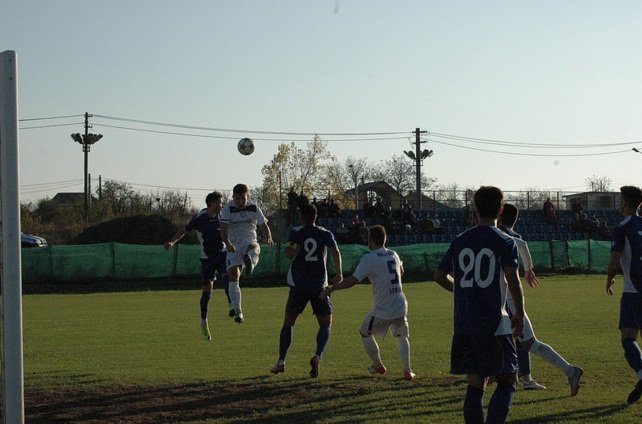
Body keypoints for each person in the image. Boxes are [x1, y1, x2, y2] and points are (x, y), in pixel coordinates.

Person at [434, 186, 525, 424]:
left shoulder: (460, 239)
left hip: (465, 322)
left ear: (475, 209)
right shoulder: (505, 240)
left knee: (475, 383)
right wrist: (520, 312)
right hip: (495, 322)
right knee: (508, 378)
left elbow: (440, 275)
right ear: (500, 209)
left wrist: (461, 289)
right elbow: (513, 280)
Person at [499, 203, 583, 394]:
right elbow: (522, 245)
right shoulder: (514, 237)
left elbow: (520, 245)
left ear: (501, 216)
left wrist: (528, 269)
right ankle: (523, 377)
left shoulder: (501, 235)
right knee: (520, 342)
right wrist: (529, 269)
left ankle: (569, 371)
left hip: (507, 301)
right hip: (509, 299)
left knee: (525, 343)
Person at [322, 225, 416, 380]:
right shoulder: (394, 254)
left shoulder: (369, 259)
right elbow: (401, 273)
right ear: (385, 239)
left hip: (383, 309)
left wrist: (332, 288)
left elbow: (353, 280)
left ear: (371, 240)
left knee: (364, 332)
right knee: (401, 336)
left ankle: (378, 365)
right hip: (400, 304)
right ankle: (407, 370)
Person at [270, 204, 343, 378]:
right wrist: (339, 272)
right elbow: (335, 251)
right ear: (316, 217)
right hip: (319, 285)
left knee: (288, 322)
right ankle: (317, 356)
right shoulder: (325, 233)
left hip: (298, 285)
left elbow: (289, 252)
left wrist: (290, 250)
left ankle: (281, 362)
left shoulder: (296, 232)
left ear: (301, 217)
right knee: (325, 324)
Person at [164, 191, 229, 341]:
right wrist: (172, 242)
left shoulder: (223, 216)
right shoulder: (200, 218)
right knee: (207, 289)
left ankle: (233, 306)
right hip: (207, 258)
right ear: (212, 204)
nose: (222, 205)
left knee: (228, 275)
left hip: (222, 253)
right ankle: (203, 320)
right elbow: (183, 230)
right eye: (219, 202)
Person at [606, 185, 642, 403]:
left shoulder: (622, 227)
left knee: (628, 337)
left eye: (620, 200)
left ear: (626, 203)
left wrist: (609, 278)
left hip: (633, 290)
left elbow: (615, 259)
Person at [220, 183, 273, 323]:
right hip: (233, 245)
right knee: (233, 275)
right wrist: (227, 244)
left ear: (247, 196)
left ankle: (249, 262)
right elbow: (223, 229)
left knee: (254, 247)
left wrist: (268, 236)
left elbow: (263, 225)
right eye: (237, 199)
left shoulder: (254, 207)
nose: (240, 202)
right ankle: (238, 312)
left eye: (242, 198)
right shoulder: (228, 208)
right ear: (233, 197)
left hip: (249, 240)